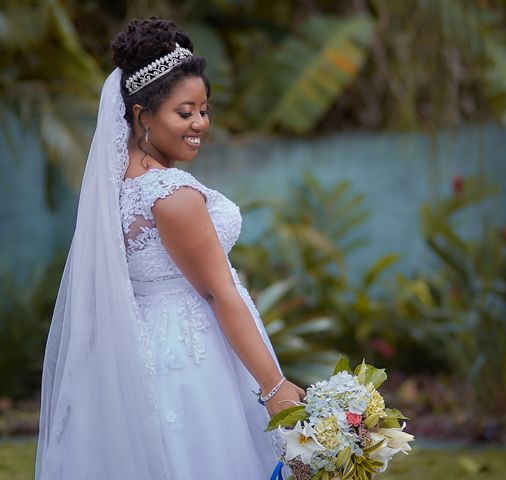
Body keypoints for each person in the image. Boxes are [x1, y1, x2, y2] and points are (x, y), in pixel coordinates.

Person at [35, 16, 305, 479]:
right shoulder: (170, 194)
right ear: (142, 115)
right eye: (185, 112)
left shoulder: (118, 186)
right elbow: (219, 292)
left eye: (204, 108)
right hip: (190, 360)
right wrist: (274, 386)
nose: (200, 123)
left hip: (136, 353)